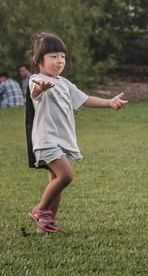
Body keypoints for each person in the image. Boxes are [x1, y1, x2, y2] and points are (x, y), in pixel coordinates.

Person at [26, 32, 128, 234]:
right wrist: (41, 88)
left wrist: (109, 103)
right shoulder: (36, 79)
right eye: (53, 56)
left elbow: (84, 99)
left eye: (62, 56)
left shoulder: (64, 83)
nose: (59, 61)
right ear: (39, 61)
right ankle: (40, 210)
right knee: (66, 176)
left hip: (61, 141)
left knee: (56, 180)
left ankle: (46, 226)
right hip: (46, 140)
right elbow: (34, 92)